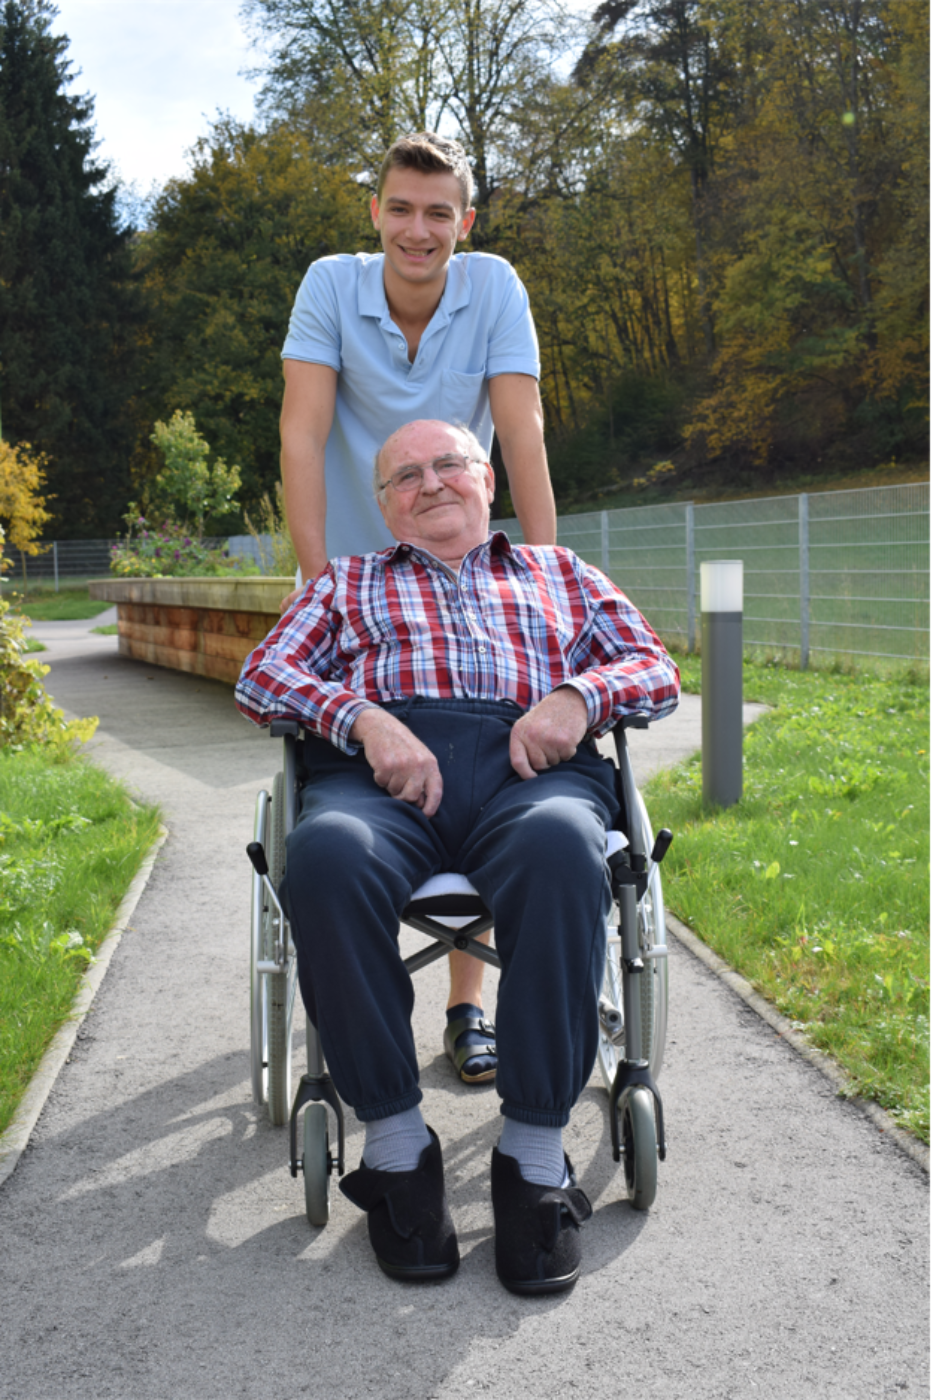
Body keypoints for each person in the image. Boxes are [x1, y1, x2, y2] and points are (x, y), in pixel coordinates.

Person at [236, 419, 679, 1294]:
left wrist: (578, 696)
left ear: (486, 480)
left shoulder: (562, 573)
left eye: (449, 464)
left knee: (563, 848)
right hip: (380, 780)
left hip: (530, 775)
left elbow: (653, 670)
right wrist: (360, 718)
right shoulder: (346, 584)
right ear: (386, 505)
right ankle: (398, 1152)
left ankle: (533, 1158)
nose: (431, 482)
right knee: (323, 857)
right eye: (407, 474)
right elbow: (263, 677)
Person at [279, 131, 557, 1085]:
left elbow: (518, 429)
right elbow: (303, 432)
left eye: (438, 212)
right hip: (361, 569)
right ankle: (365, 1008)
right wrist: (319, 584)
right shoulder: (329, 286)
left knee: (481, 746)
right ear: (376, 215)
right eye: (400, 208)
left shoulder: (495, 288)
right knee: (369, 782)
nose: (417, 229)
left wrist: (545, 571)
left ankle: (467, 1006)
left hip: (462, 553)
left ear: (463, 223)